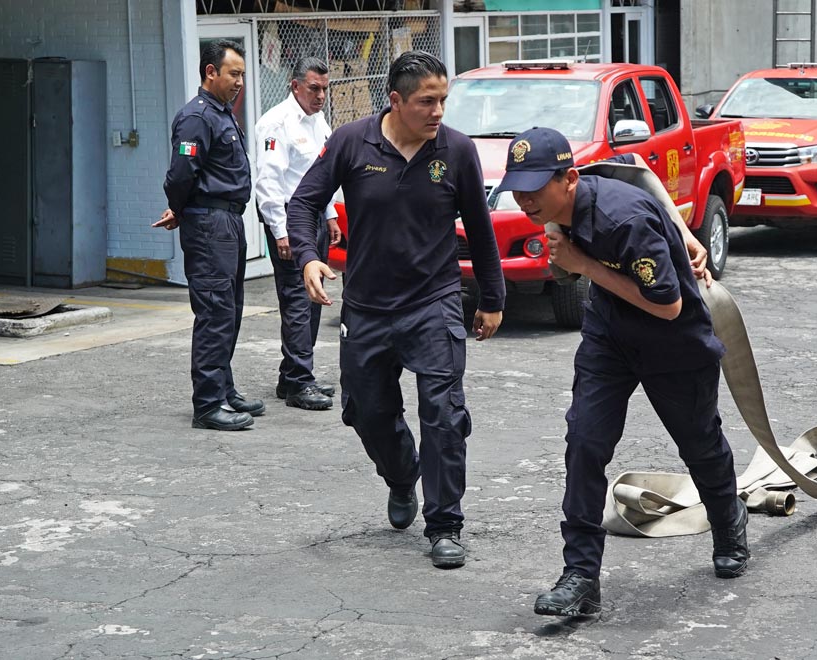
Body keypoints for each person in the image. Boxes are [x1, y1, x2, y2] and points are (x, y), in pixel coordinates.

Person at [495, 127, 748, 616]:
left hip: (672, 342)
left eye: (534, 186)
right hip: (609, 337)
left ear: (568, 179)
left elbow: (669, 305)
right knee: (584, 443)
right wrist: (567, 257)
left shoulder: (622, 218)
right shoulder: (556, 209)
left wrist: (582, 265)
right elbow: (633, 165)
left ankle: (727, 521)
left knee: (700, 444)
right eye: (517, 187)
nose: (524, 198)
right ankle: (580, 577)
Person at [286, 51, 505, 568]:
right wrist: (309, 258)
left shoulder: (457, 151)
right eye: (427, 101)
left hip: (434, 303)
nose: (437, 111)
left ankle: (445, 524)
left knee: (444, 413)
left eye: (443, 100)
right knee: (367, 411)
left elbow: (479, 226)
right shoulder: (351, 142)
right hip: (366, 308)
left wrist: (493, 300)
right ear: (396, 101)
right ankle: (402, 476)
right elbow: (304, 203)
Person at [154, 39, 264, 431]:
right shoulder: (198, 117)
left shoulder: (221, 113)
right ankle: (207, 404)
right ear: (210, 72)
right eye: (233, 74)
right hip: (210, 225)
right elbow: (182, 174)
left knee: (229, 311)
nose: (239, 82)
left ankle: (224, 389)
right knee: (215, 312)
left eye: (242, 75)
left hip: (228, 222)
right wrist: (179, 209)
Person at [254, 56, 340, 411]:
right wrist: (279, 231)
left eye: (324, 89)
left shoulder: (318, 121)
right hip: (290, 219)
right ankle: (299, 384)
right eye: (313, 89)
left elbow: (324, 173)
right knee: (297, 302)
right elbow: (268, 182)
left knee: (313, 297)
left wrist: (331, 213)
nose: (320, 96)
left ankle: (292, 375)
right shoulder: (277, 123)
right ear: (295, 86)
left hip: (315, 216)